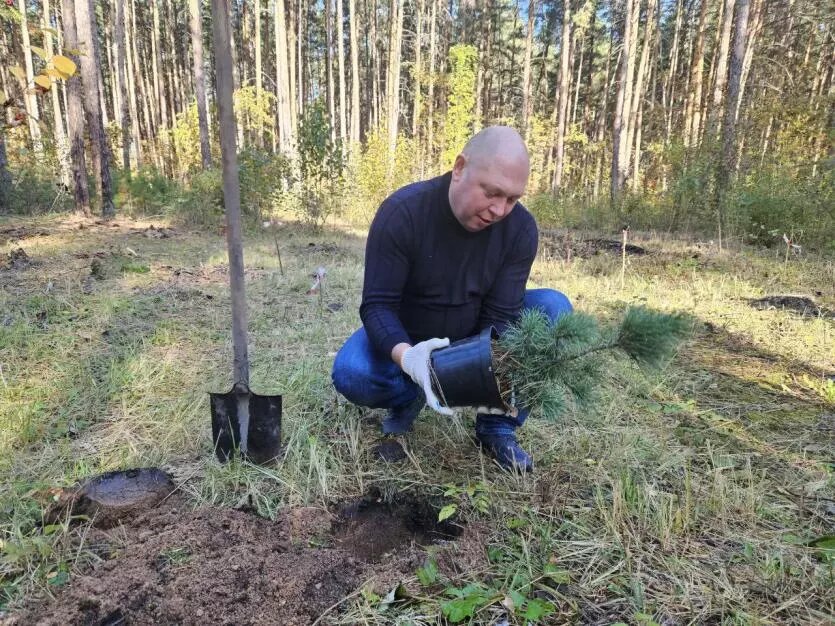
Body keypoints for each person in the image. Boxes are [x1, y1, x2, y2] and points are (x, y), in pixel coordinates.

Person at [331, 126, 572, 472]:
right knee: (352, 372)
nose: (500, 210)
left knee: (554, 309)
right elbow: (377, 306)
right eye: (492, 193)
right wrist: (409, 358)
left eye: (512, 198)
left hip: (475, 336)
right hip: (410, 336)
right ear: (460, 168)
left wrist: (473, 372)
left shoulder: (520, 230)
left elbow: (500, 318)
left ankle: (497, 426)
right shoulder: (404, 213)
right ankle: (410, 393)